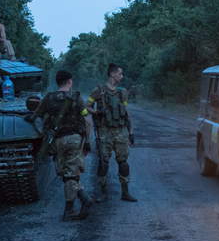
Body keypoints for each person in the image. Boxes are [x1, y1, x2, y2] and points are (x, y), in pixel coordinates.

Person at [28, 70, 94, 221]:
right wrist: (87, 142)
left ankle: (75, 205)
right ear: (69, 81)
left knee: (66, 173)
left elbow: (36, 116)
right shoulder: (76, 98)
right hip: (74, 139)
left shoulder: (48, 98)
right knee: (70, 174)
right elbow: (87, 120)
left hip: (57, 141)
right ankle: (81, 201)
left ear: (57, 82)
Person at [87, 63, 137, 202]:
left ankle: (125, 192)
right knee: (103, 163)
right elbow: (87, 106)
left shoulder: (123, 92)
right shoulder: (98, 91)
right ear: (112, 74)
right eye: (120, 73)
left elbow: (126, 113)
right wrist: (96, 112)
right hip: (105, 132)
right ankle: (102, 193)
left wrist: (131, 132)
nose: (122, 76)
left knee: (123, 163)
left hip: (121, 131)